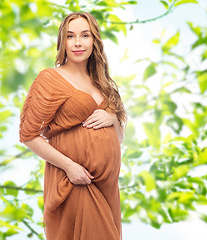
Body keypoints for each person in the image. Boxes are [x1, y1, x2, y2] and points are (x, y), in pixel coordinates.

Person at [19, 12, 126, 240]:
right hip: (75, 182)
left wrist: (113, 119)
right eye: (70, 36)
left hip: (107, 189)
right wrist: (70, 167)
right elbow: (29, 135)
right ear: (62, 42)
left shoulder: (104, 84)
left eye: (85, 35)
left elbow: (118, 139)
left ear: (94, 41)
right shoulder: (50, 79)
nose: (78, 42)